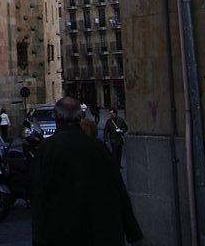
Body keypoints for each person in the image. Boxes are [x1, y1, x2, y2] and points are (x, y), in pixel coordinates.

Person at [32, 96, 142, 246]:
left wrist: (39, 239)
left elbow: (39, 198)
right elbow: (118, 189)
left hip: (63, 233)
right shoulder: (99, 148)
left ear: (56, 118)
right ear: (80, 117)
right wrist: (132, 231)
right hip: (102, 231)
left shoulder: (46, 150)